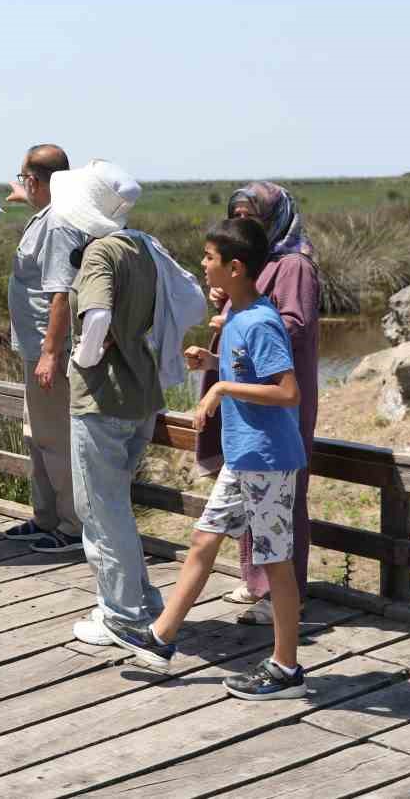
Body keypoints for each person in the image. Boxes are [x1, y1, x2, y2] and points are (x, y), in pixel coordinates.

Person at [102, 217, 309, 701]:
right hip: (243, 458)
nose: (203, 264)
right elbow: (251, 371)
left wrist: (218, 387)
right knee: (202, 541)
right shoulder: (237, 314)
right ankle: (160, 638)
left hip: (269, 460)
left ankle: (286, 670)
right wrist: (214, 363)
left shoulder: (258, 320)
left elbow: (287, 391)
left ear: (235, 268)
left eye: (210, 258)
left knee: (276, 561)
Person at [53, 160, 169, 648]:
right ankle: (140, 599)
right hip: (142, 392)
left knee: (101, 511)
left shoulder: (100, 253)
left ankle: (121, 615)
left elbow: (96, 316)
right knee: (115, 506)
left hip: (104, 398)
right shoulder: (140, 245)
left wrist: (80, 359)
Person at [205, 182, 321, 624]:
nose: (242, 225)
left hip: (280, 393)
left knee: (282, 494)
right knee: (251, 486)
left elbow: (293, 324)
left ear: (274, 218)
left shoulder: (293, 265)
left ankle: (286, 592)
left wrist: (240, 316)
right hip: (246, 391)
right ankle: (257, 582)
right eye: (236, 216)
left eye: (250, 217)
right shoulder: (255, 261)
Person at [2, 144, 88, 555]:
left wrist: (52, 354)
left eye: (25, 179)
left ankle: (72, 526)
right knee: (36, 435)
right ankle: (46, 517)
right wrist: (26, 196)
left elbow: (61, 295)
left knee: (55, 438)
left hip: (47, 350)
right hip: (34, 348)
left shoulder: (58, 225)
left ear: (36, 180)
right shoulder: (50, 215)